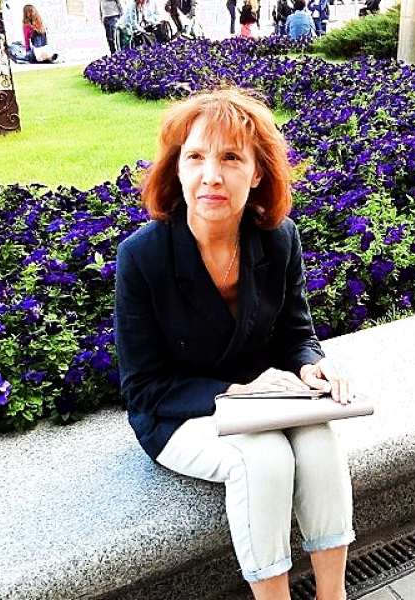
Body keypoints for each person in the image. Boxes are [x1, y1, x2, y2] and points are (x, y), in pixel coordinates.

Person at [115, 88, 354, 600]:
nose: (211, 176)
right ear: (177, 168)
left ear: (258, 172)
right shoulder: (143, 256)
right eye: (195, 157)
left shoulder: (278, 238)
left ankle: (333, 594)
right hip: (179, 414)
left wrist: (312, 365)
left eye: (230, 158)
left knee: (319, 440)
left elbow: (297, 334)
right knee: (262, 458)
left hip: (263, 401)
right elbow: (144, 388)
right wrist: (235, 391)